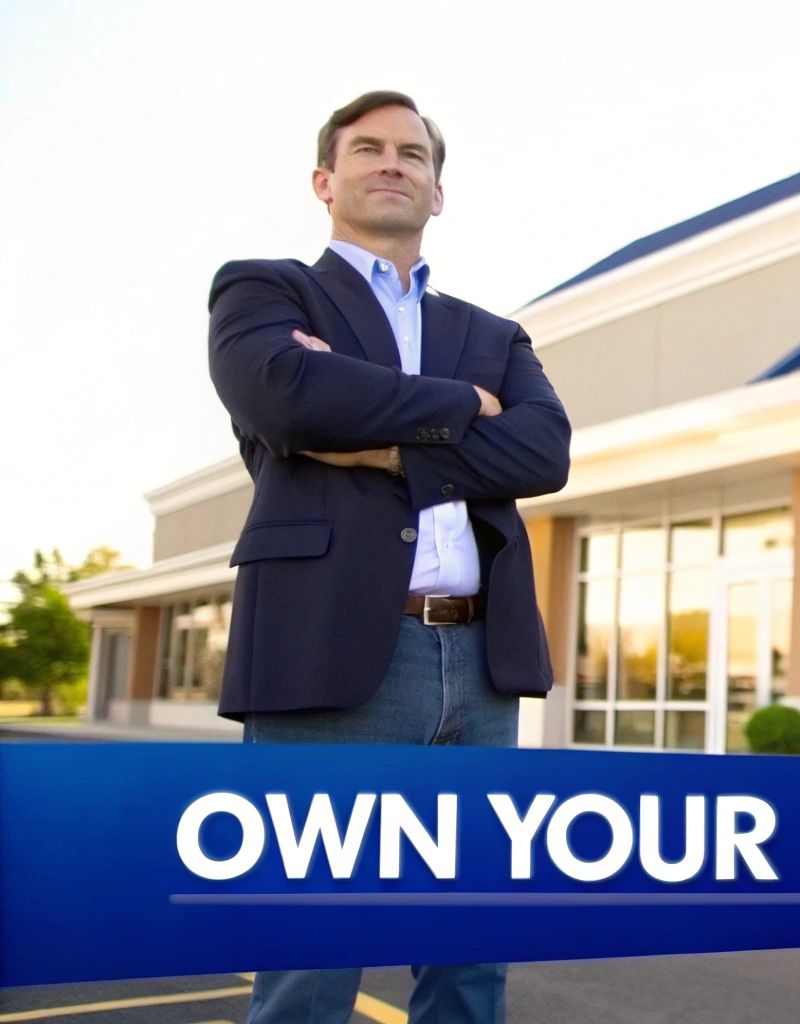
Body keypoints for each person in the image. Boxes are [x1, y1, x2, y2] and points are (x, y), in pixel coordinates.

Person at [206, 90, 570, 1024]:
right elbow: (287, 397)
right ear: (326, 181)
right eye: (367, 148)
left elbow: (541, 454)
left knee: (470, 949)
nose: (392, 162)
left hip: (481, 664)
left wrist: (372, 434)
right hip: (331, 655)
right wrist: (461, 411)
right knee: (313, 953)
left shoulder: (493, 335)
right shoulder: (266, 290)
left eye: (413, 152)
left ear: (438, 192)